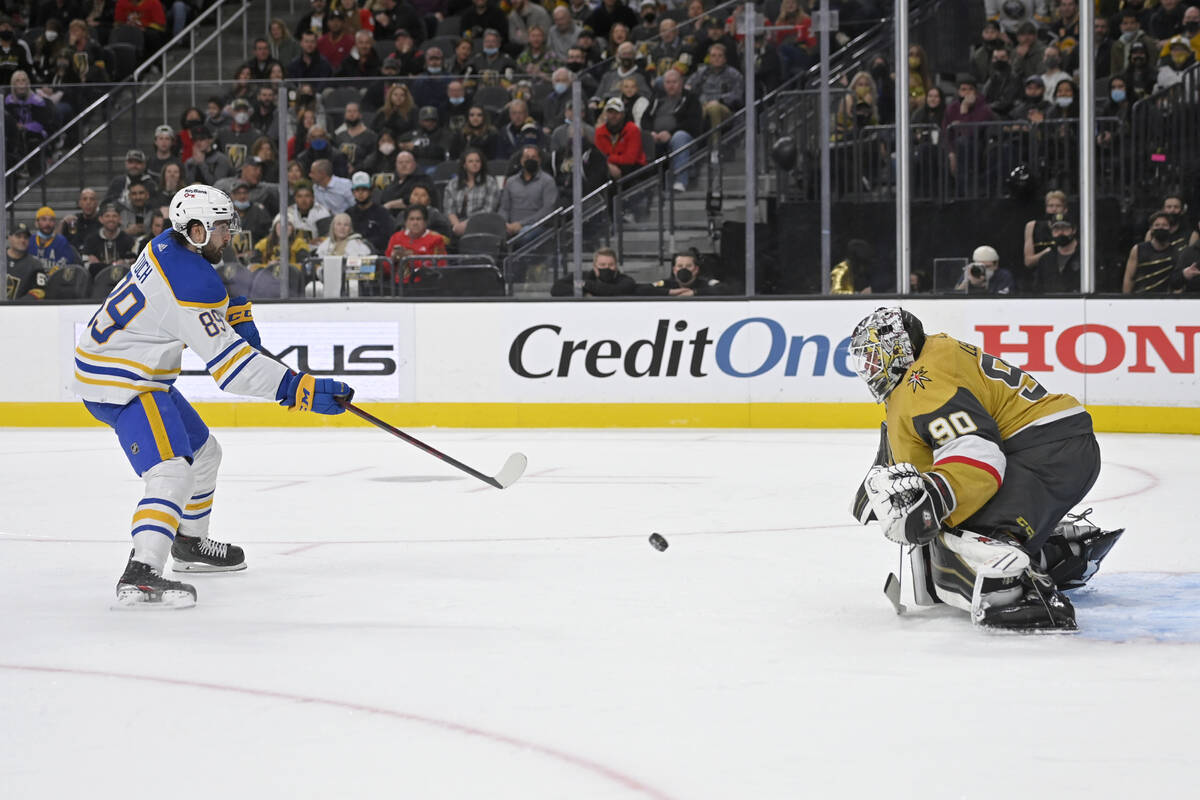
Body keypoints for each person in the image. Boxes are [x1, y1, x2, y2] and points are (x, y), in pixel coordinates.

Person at [74, 185, 353, 607]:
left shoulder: (166, 244)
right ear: (197, 229)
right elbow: (233, 370)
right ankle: (143, 571)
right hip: (122, 381)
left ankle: (189, 543)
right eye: (222, 226)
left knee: (204, 454)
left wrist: (224, 315)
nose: (230, 235)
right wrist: (298, 390)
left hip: (127, 368)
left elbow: (180, 308)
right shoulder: (191, 282)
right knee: (171, 471)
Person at [849, 306, 1120, 632]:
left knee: (965, 533)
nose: (870, 369)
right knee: (950, 526)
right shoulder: (924, 368)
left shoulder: (923, 382)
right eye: (865, 362)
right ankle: (1055, 550)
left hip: (1047, 451)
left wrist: (932, 497)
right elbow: (915, 460)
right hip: (1052, 445)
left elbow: (977, 452)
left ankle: (1024, 592)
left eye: (874, 358)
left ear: (897, 350)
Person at [500, 144, 559, 239]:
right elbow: (504, 208)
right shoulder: (511, 181)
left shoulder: (548, 181)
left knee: (524, 235)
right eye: (527, 157)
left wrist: (521, 224)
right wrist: (505, 224)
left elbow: (547, 210)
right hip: (510, 226)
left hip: (536, 226)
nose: (530, 160)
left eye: (533, 157)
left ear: (539, 160)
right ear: (521, 161)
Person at [444, 147, 502, 238]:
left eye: (477, 161)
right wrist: (457, 226)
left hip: (482, 224)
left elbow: (488, 210)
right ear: (464, 165)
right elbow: (449, 210)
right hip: (456, 225)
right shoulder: (453, 184)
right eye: (470, 161)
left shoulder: (490, 182)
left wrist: (467, 225)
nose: (474, 164)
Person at [1124, 211, 1180, 294]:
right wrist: (1126, 300)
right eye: (1157, 225)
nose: (1160, 228)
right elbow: (1129, 278)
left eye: (1164, 225)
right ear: (1151, 228)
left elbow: (1178, 282)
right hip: (1140, 298)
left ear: (1170, 228)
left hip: (1165, 301)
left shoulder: (1176, 252)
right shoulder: (1138, 249)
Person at [550, 246, 639, 296]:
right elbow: (556, 288)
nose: (607, 268)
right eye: (602, 265)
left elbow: (617, 291)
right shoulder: (582, 276)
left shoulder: (625, 280)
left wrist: (585, 285)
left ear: (616, 266)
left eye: (611, 265)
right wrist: (585, 294)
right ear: (595, 267)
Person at [385, 205, 447, 275]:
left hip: (425, 283)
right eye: (411, 219)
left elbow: (441, 266)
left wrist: (409, 258)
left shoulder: (436, 239)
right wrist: (394, 259)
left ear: (425, 222)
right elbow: (386, 268)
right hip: (399, 283)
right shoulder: (396, 237)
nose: (415, 223)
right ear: (405, 222)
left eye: (419, 219)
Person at [82, 202, 138, 279]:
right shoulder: (91, 240)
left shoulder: (128, 240)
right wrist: (117, 265)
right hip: (97, 283)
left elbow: (133, 264)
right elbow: (86, 265)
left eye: (114, 216)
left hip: (122, 282)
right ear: (101, 219)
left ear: (119, 219)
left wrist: (99, 265)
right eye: (107, 216)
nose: (111, 219)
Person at [642, 248, 730, 296]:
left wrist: (694, 293)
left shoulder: (705, 283)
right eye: (680, 266)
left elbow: (725, 289)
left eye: (688, 266)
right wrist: (670, 292)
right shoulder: (666, 284)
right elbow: (642, 289)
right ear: (674, 270)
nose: (684, 269)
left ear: (696, 270)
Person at [347, 170, 395, 253]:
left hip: (376, 255)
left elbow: (386, 238)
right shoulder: (348, 214)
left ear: (371, 191)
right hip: (351, 254)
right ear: (353, 192)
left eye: (364, 189)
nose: (360, 193)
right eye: (357, 190)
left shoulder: (382, 213)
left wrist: (365, 243)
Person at [1031, 217, 1080, 293]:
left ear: (1074, 230)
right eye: (1056, 229)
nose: (1060, 232)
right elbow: (1037, 290)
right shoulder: (1045, 259)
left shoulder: (1085, 257)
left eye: (1064, 228)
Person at [1023, 189, 1068, 267]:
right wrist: (1048, 252)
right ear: (1046, 208)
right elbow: (1028, 262)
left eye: (1058, 206)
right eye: (1050, 206)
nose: (1054, 209)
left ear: (1065, 209)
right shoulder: (1032, 226)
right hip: (1039, 274)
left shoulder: (1070, 228)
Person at [5, 223, 48, 301]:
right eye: (18, 237)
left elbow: (41, 291)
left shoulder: (36, 265)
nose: (22, 240)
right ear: (9, 238)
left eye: (26, 238)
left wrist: (18, 305)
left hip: (21, 311)